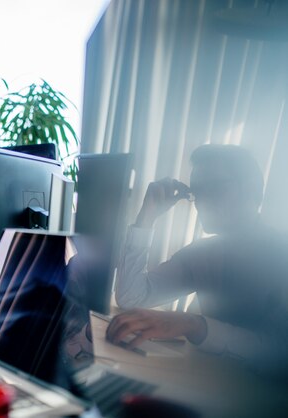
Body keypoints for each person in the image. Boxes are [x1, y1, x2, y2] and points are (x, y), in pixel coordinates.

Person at [107, 144, 288, 375]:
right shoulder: (201, 253)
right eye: (197, 191)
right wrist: (147, 217)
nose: (201, 201)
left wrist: (195, 324)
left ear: (251, 189)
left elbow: (280, 351)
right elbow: (131, 297)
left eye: (214, 188)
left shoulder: (282, 254)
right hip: (207, 382)